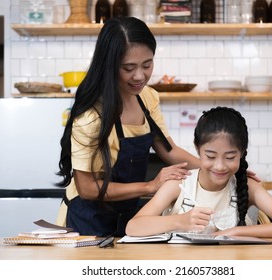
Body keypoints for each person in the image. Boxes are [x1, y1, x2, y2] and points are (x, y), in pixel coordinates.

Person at [55, 17, 200, 237]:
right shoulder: (91, 116)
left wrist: (219, 168)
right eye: (128, 68)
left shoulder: (147, 98)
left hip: (129, 217)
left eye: (147, 64)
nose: (140, 76)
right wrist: (149, 186)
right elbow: (86, 187)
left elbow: (169, 151)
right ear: (109, 65)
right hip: (87, 219)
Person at [126, 107, 272, 238]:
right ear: (198, 150)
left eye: (230, 157)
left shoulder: (249, 187)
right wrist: (181, 221)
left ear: (242, 153)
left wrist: (236, 231)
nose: (220, 166)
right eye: (211, 156)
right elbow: (133, 227)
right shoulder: (179, 184)